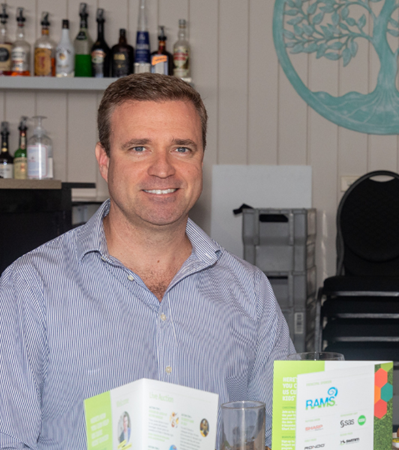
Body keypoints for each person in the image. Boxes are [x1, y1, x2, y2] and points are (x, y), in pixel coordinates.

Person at [0, 73, 295, 449]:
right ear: (104, 161)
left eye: (182, 149)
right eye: (139, 148)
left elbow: (279, 437)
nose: (163, 168)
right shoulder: (29, 288)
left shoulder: (249, 291)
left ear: (201, 157)